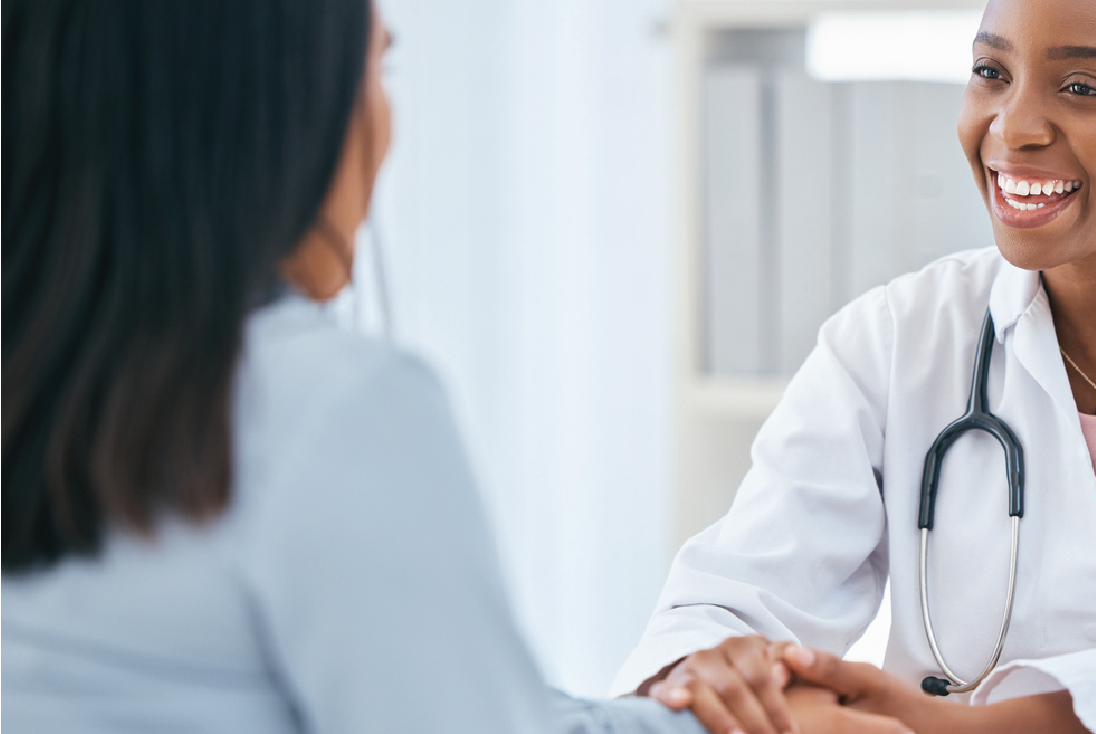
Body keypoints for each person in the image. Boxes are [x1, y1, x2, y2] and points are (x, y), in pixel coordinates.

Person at [0, 3, 911, 733]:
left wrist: (684, 717)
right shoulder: (331, 407)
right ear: (270, 108)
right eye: (377, 68)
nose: (385, 125)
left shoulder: (49, 388)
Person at [613, 0, 1096, 731]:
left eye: (1083, 87)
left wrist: (956, 727)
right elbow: (732, 598)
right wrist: (714, 669)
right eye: (992, 72)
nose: (1012, 124)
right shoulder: (891, 343)